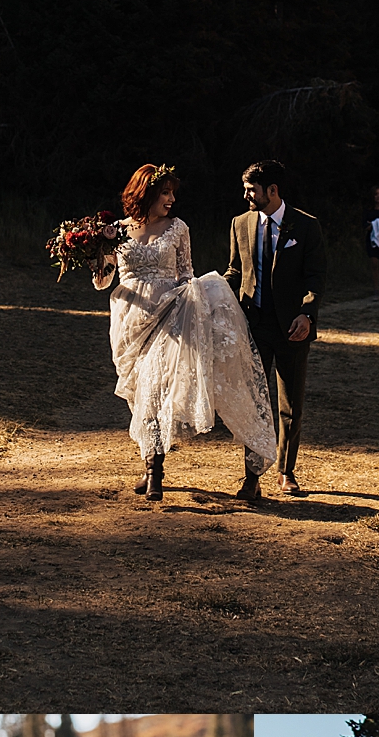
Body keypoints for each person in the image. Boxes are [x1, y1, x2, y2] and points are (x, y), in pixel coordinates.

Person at [92, 161, 275, 502]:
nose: (171, 198)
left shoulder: (177, 228)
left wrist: (193, 311)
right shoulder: (117, 230)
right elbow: (103, 281)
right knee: (140, 395)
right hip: (131, 319)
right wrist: (97, 250)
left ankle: (154, 474)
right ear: (145, 193)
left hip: (171, 316)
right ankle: (150, 461)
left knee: (155, 388)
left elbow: (185, 275)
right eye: (165, 192)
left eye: (173, 192)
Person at [227, 159, 327, 499]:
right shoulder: (240, 224)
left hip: (292, 329)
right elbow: (235, 271)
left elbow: (315, 277)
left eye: (251, 190)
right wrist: (211, 292)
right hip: (252, 327)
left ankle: (286, 471)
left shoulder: (307, 226)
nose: (246, 196)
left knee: (290, 405)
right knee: (255, 403)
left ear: (272, 190)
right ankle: (252, 477)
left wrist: (307, 314)